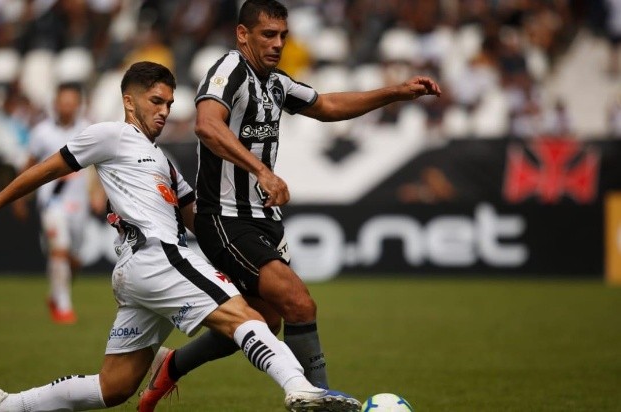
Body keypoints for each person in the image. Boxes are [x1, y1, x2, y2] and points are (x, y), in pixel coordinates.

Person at [0, 61, 361, 412]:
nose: (165, 111)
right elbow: (48, 168)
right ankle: (300, 387)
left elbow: (198, 218)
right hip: (157, 256)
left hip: (139, 271)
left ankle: (10, 405)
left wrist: (252, 231)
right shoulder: (111, 135)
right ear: (128, 101)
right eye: (156, 101)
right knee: (247, 318)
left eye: (169, 103)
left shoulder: (162, 162)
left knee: (114, 386)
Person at [137, 1, 441, 410]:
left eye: (283, 35)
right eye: (268, 34)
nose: (278, 43)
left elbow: (327, 106)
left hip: (263, 219)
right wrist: (261, 171)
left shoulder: (276, 83)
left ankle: (171, 365)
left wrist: (395, 93)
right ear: (243, 35)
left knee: (262, 320)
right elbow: (207, 125)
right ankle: (319, 399)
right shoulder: (230, 69)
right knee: (299, 302)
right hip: (225, 217)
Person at [12, 83, 100, 324]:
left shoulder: (88, 131)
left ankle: (56, 294)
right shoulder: (42, 133)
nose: (67, 108)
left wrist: (97, 192)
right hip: (52, 202)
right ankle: (63, 306)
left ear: (79, 105)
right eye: (63, 102)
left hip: (79, 203)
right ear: (55, 104)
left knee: (75, 259)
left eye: (71, 103)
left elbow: (98, 165)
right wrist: (19, 198)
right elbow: (29, 165)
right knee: (59, 248)